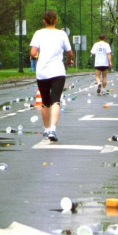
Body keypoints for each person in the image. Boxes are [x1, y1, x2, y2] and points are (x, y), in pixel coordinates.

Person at [30, 9, 73, 142]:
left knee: (45, 102)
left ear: (44, 21)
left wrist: (38, 57)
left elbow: (33, 52)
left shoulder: (38, 33)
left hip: (42, 72)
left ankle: (46, 129)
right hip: (58, 71)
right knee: (56, 100)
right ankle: (53, 129)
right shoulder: (62, 34)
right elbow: (70, 52)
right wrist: (67, 61)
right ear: (56, 21)